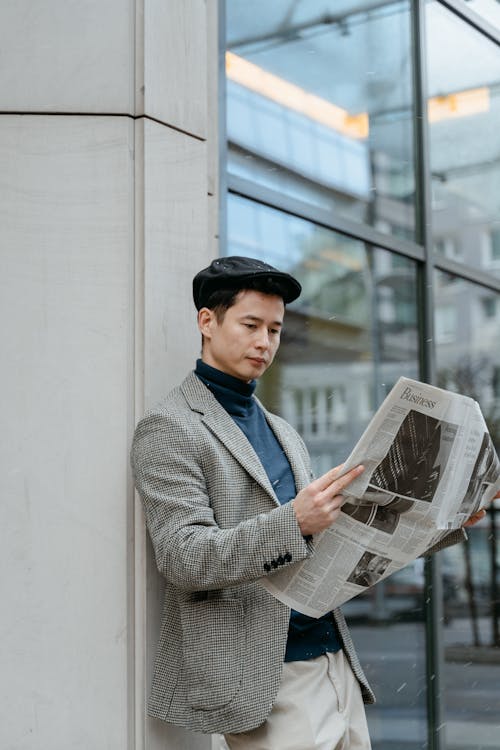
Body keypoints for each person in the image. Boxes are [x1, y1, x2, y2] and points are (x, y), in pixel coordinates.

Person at [130, 255, 491, 750]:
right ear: (207, 322)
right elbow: (183, 556)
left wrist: (446, 518)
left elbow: (345, 546)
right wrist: (293, 523)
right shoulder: (170, 426)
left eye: (275, 330)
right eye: (251, 324)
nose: (265, 342)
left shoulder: (284, 431)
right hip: (262, 674)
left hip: (333, 659)